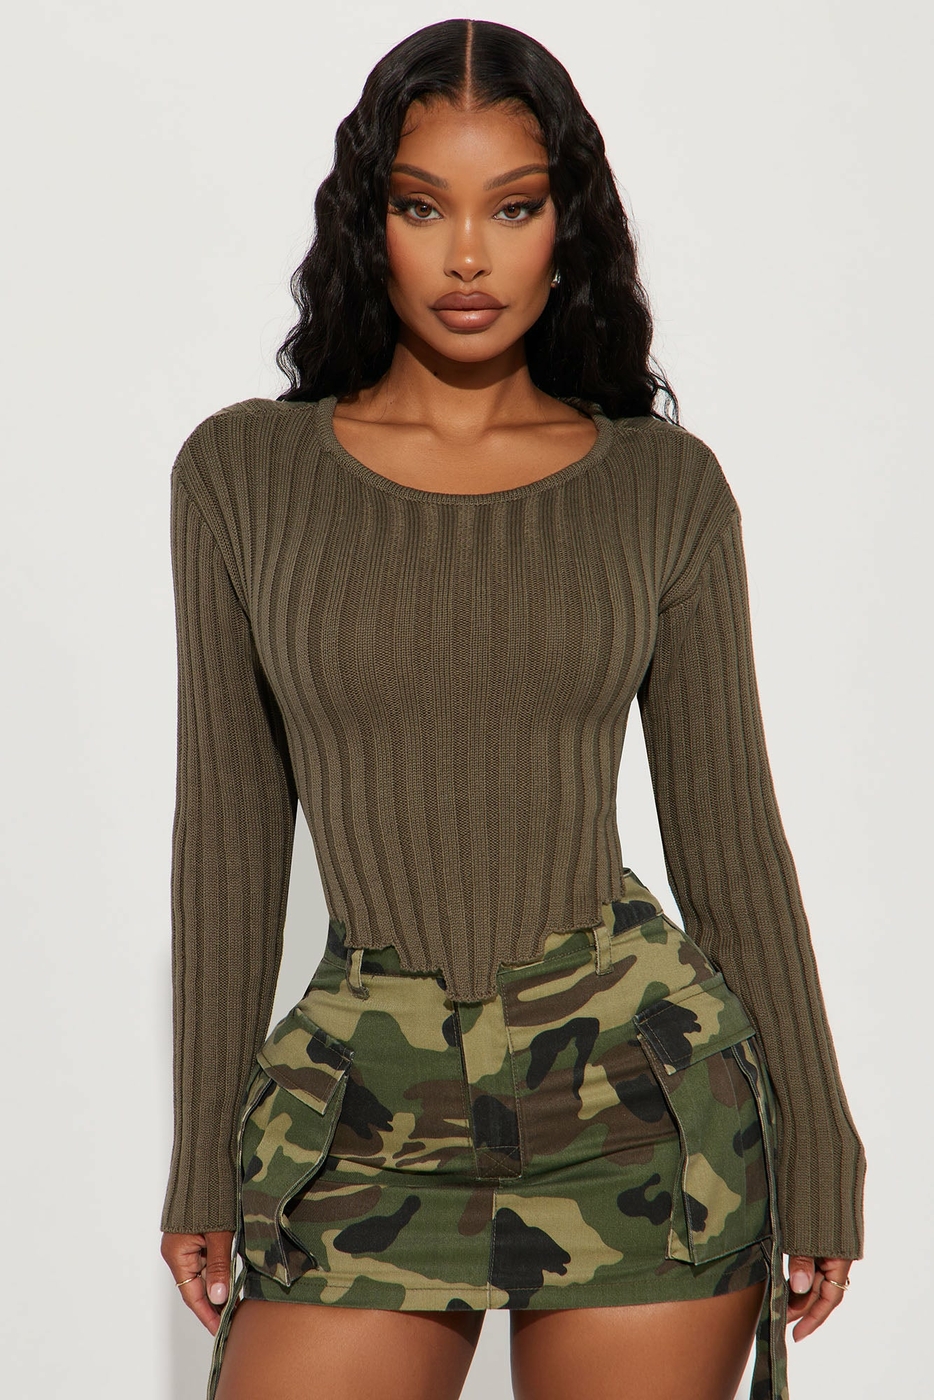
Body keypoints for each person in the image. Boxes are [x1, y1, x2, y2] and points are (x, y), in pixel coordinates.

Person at [159, 18, 865, 1400]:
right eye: (423, 207)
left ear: (568, 225)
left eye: (515, 207)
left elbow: (728, 840)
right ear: (368, 223)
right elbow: (230, 837)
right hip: (356, 1115)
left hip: (638, 1114)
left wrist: (823, 1147)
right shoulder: (243, 478)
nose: (469, 256)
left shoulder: (658, 487)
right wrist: (201, 1158)